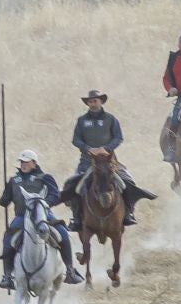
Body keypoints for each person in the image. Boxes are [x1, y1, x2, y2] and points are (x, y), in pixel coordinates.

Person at [60, 90, 152, 228]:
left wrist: (106, 148)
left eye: (95, 101)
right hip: (87, 162)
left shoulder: (111, 119)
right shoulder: (81, 120)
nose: (93, 104)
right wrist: (88, 148)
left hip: (109, 162)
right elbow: (76, 140)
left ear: (101, 102)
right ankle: (77, 218)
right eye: (90, 101)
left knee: (126, 182)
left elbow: (118, 137)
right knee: (76, 187)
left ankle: (128, 213)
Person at [0, 150, 85, 290]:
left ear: (34, 163)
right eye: (21, 162)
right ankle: (7, 276)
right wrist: (4, 198)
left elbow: (55, 195)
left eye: (26, 162)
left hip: (43, 215)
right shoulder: (14, 180)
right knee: (7, 238)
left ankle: (70, 270)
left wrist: (43, 204)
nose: (23, 165)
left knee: (62, 233)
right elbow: (4, 201)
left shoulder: (45, 177)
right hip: (22, 217)